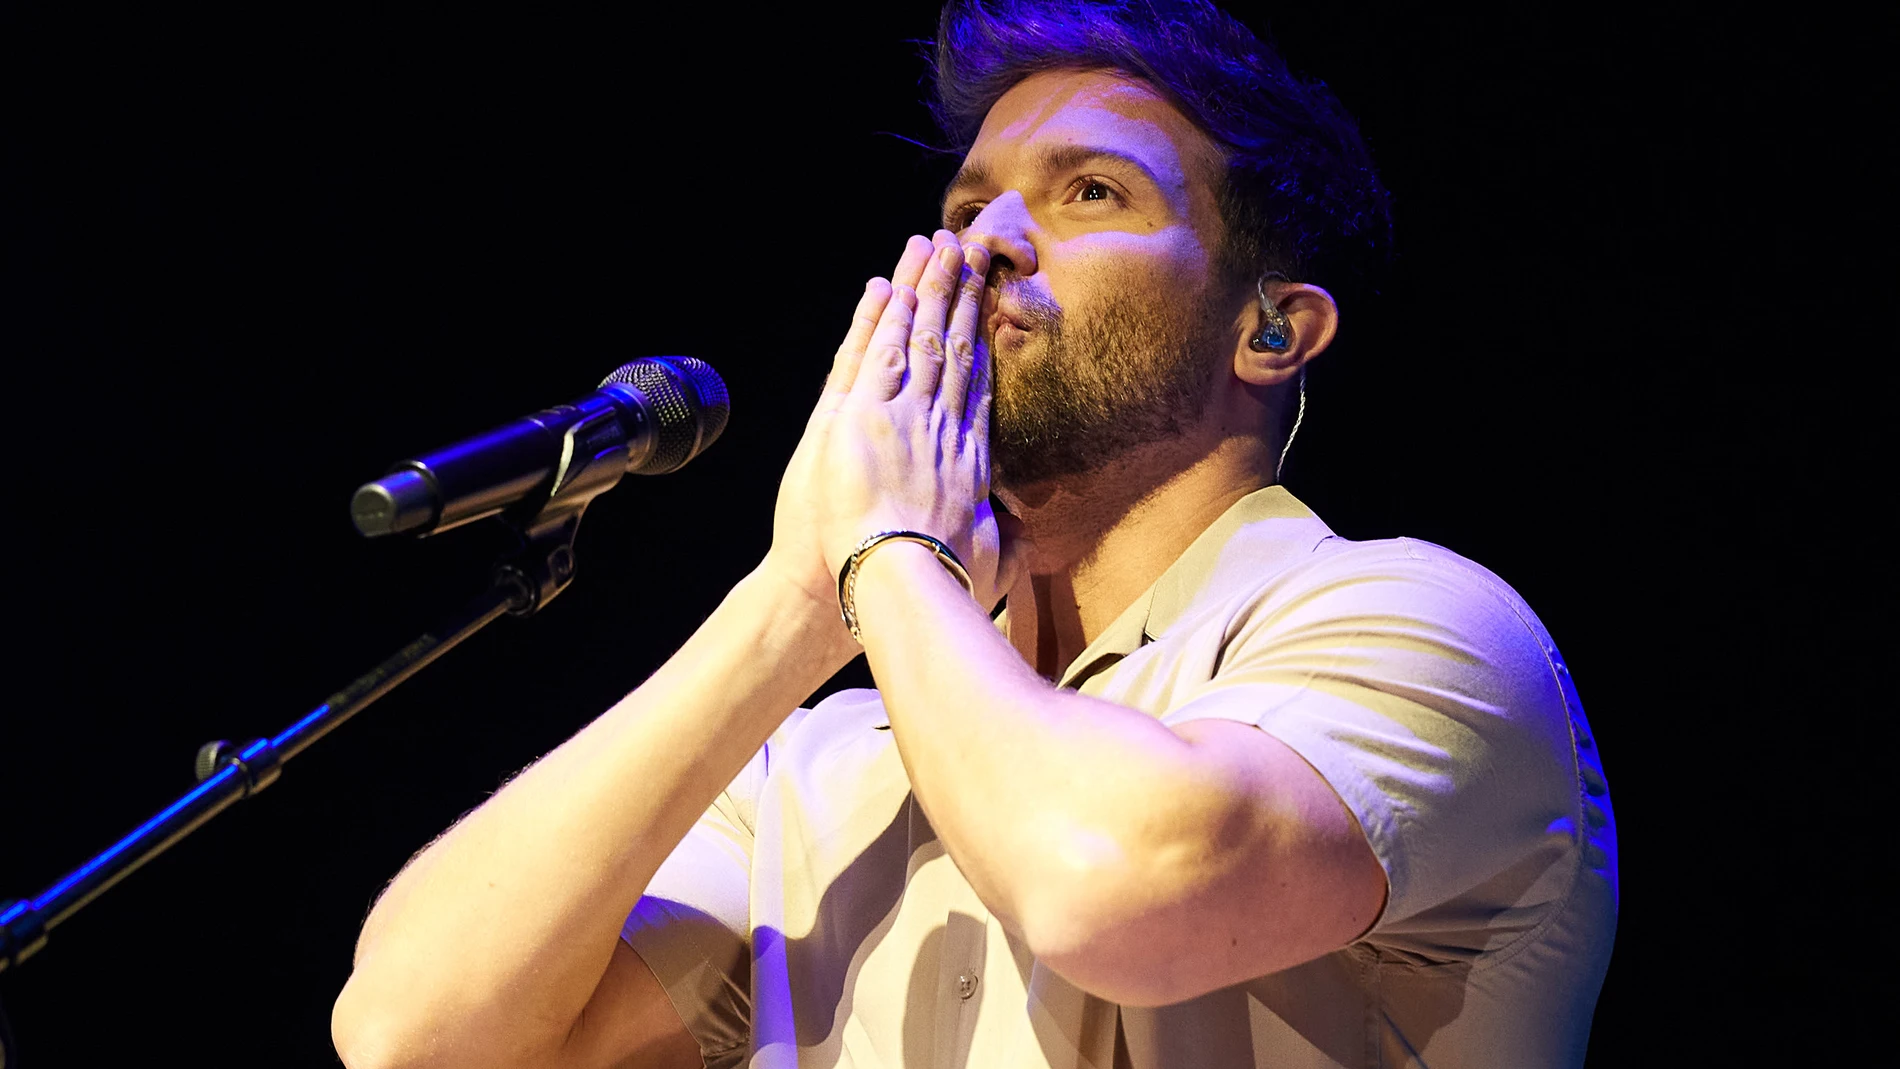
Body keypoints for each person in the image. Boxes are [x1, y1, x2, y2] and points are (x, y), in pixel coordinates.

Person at [331, 1, 1617, 1066]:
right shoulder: (825, 766)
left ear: (1270, 329)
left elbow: (1107, 890)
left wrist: (889, 552)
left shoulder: (1417, 622)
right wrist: (793, 599)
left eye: (1091, 194)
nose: (987, 243)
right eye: (963, 212)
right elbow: (414, 1036)